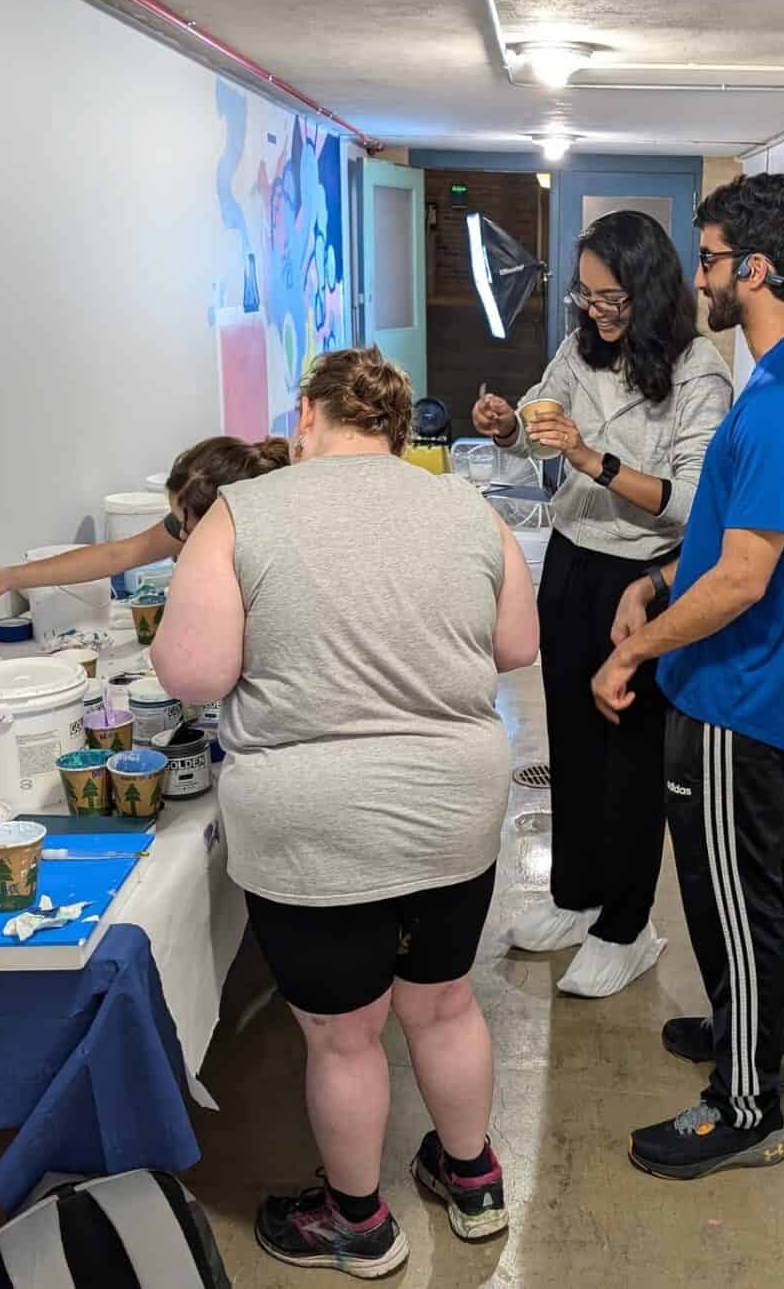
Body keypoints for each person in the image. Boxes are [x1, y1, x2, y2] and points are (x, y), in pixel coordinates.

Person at [150, 347, 538, 1279]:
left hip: (311, 823)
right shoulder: (466, 509)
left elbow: (192, 674)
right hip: (451, 808)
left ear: (307, 415)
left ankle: (357, 1222)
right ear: (398, 430)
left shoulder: (245, 513)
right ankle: (473, 1177)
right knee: (443, 1006)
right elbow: (517, 645)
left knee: (344, 1033)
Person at [591, 174, 784, 1179]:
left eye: (706, 260)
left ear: (750, 270)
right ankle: (763, 1037)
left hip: (732, 699)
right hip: (734, 690)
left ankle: (746, 1105)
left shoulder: (783, 403)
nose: (696, 278)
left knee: (731, 899)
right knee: (750, 887)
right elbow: (730, 539)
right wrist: (660, 581)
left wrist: (631, 650)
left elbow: (746, 578)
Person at [472, 209, 732, 998]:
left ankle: (627, 925)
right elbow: (536, 425)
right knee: (576, 747)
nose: (594, 311)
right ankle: (574, 896)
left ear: (649, 289)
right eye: (584, 296)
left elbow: (693, 504)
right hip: (574, 564)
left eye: (610, 297)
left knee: (631, 761)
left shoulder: (698, 370)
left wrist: (592, 456)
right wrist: (510, 424)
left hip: (644, 583)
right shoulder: (578, 346)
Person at [0, 435, 292, 604]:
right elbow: (118, 555)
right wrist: (8, 577)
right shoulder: (192, 526)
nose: (182, 537)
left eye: (187, 524)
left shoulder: (282, 546)